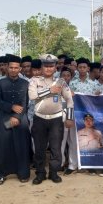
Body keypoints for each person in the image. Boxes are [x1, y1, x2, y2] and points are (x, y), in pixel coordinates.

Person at [28, 54, 74, 184]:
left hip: (56, 119)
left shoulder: (61, 82)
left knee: (56, 148)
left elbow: (69, 100)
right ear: (41, 67)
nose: (48, 69)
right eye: (46, 66)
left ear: (55, 67)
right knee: (39, 148)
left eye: (51, 66)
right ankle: (40, 173)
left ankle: (54, 173)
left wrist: (69, 118)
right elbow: (32, 96)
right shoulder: (34, 81)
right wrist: (50, 90)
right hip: (39, 118)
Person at [0, 54, 31, 184]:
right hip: (4, 117)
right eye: (11, 67)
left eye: (16, 68)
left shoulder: (26, 83)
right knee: (2, 146)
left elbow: (25, 103)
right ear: (7, 68)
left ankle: (23, 173)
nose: (14, 70)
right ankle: (0, 174)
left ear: (20, 69)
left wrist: (17, 117)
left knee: (21, 146)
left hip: (20, 118)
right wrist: (11, 107)